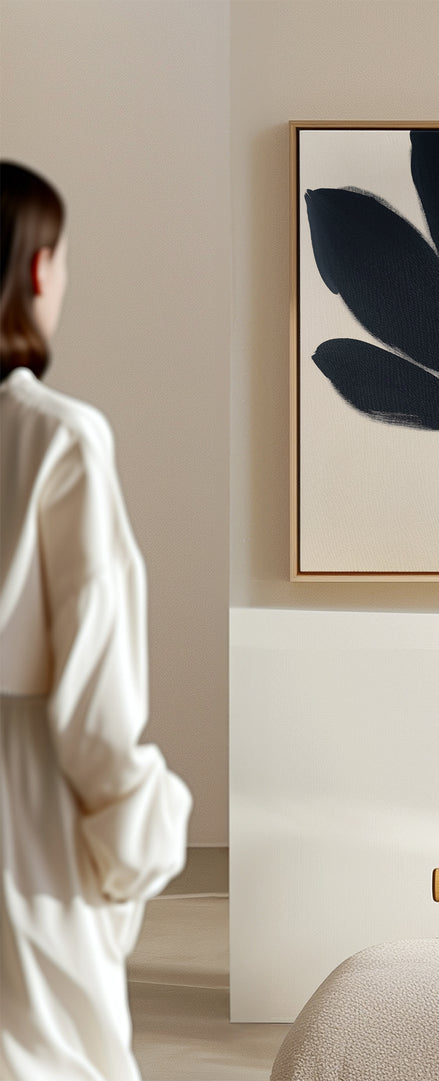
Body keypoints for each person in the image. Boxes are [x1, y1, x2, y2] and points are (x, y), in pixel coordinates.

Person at [0, 161, 192, 1081]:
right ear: (38, 269)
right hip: (21, 813)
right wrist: (139, 833)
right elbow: (93, 705)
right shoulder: (57, 438)